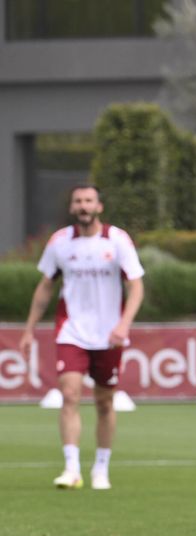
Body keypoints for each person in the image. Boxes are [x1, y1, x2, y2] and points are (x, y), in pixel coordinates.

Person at [20, 185, 144, 490]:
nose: (83, 206)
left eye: (89, 201)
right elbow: (46, 286)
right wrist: (29, 329)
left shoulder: (117, 240)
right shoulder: (60, 242)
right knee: (70, 395)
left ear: (99, 206)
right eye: (78, 201)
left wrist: (124, 325)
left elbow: (136, 286)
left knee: (104, 402)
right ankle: (71, 468)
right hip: (71, 331)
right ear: (72, 207)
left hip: (110, 334)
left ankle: (101, 468)